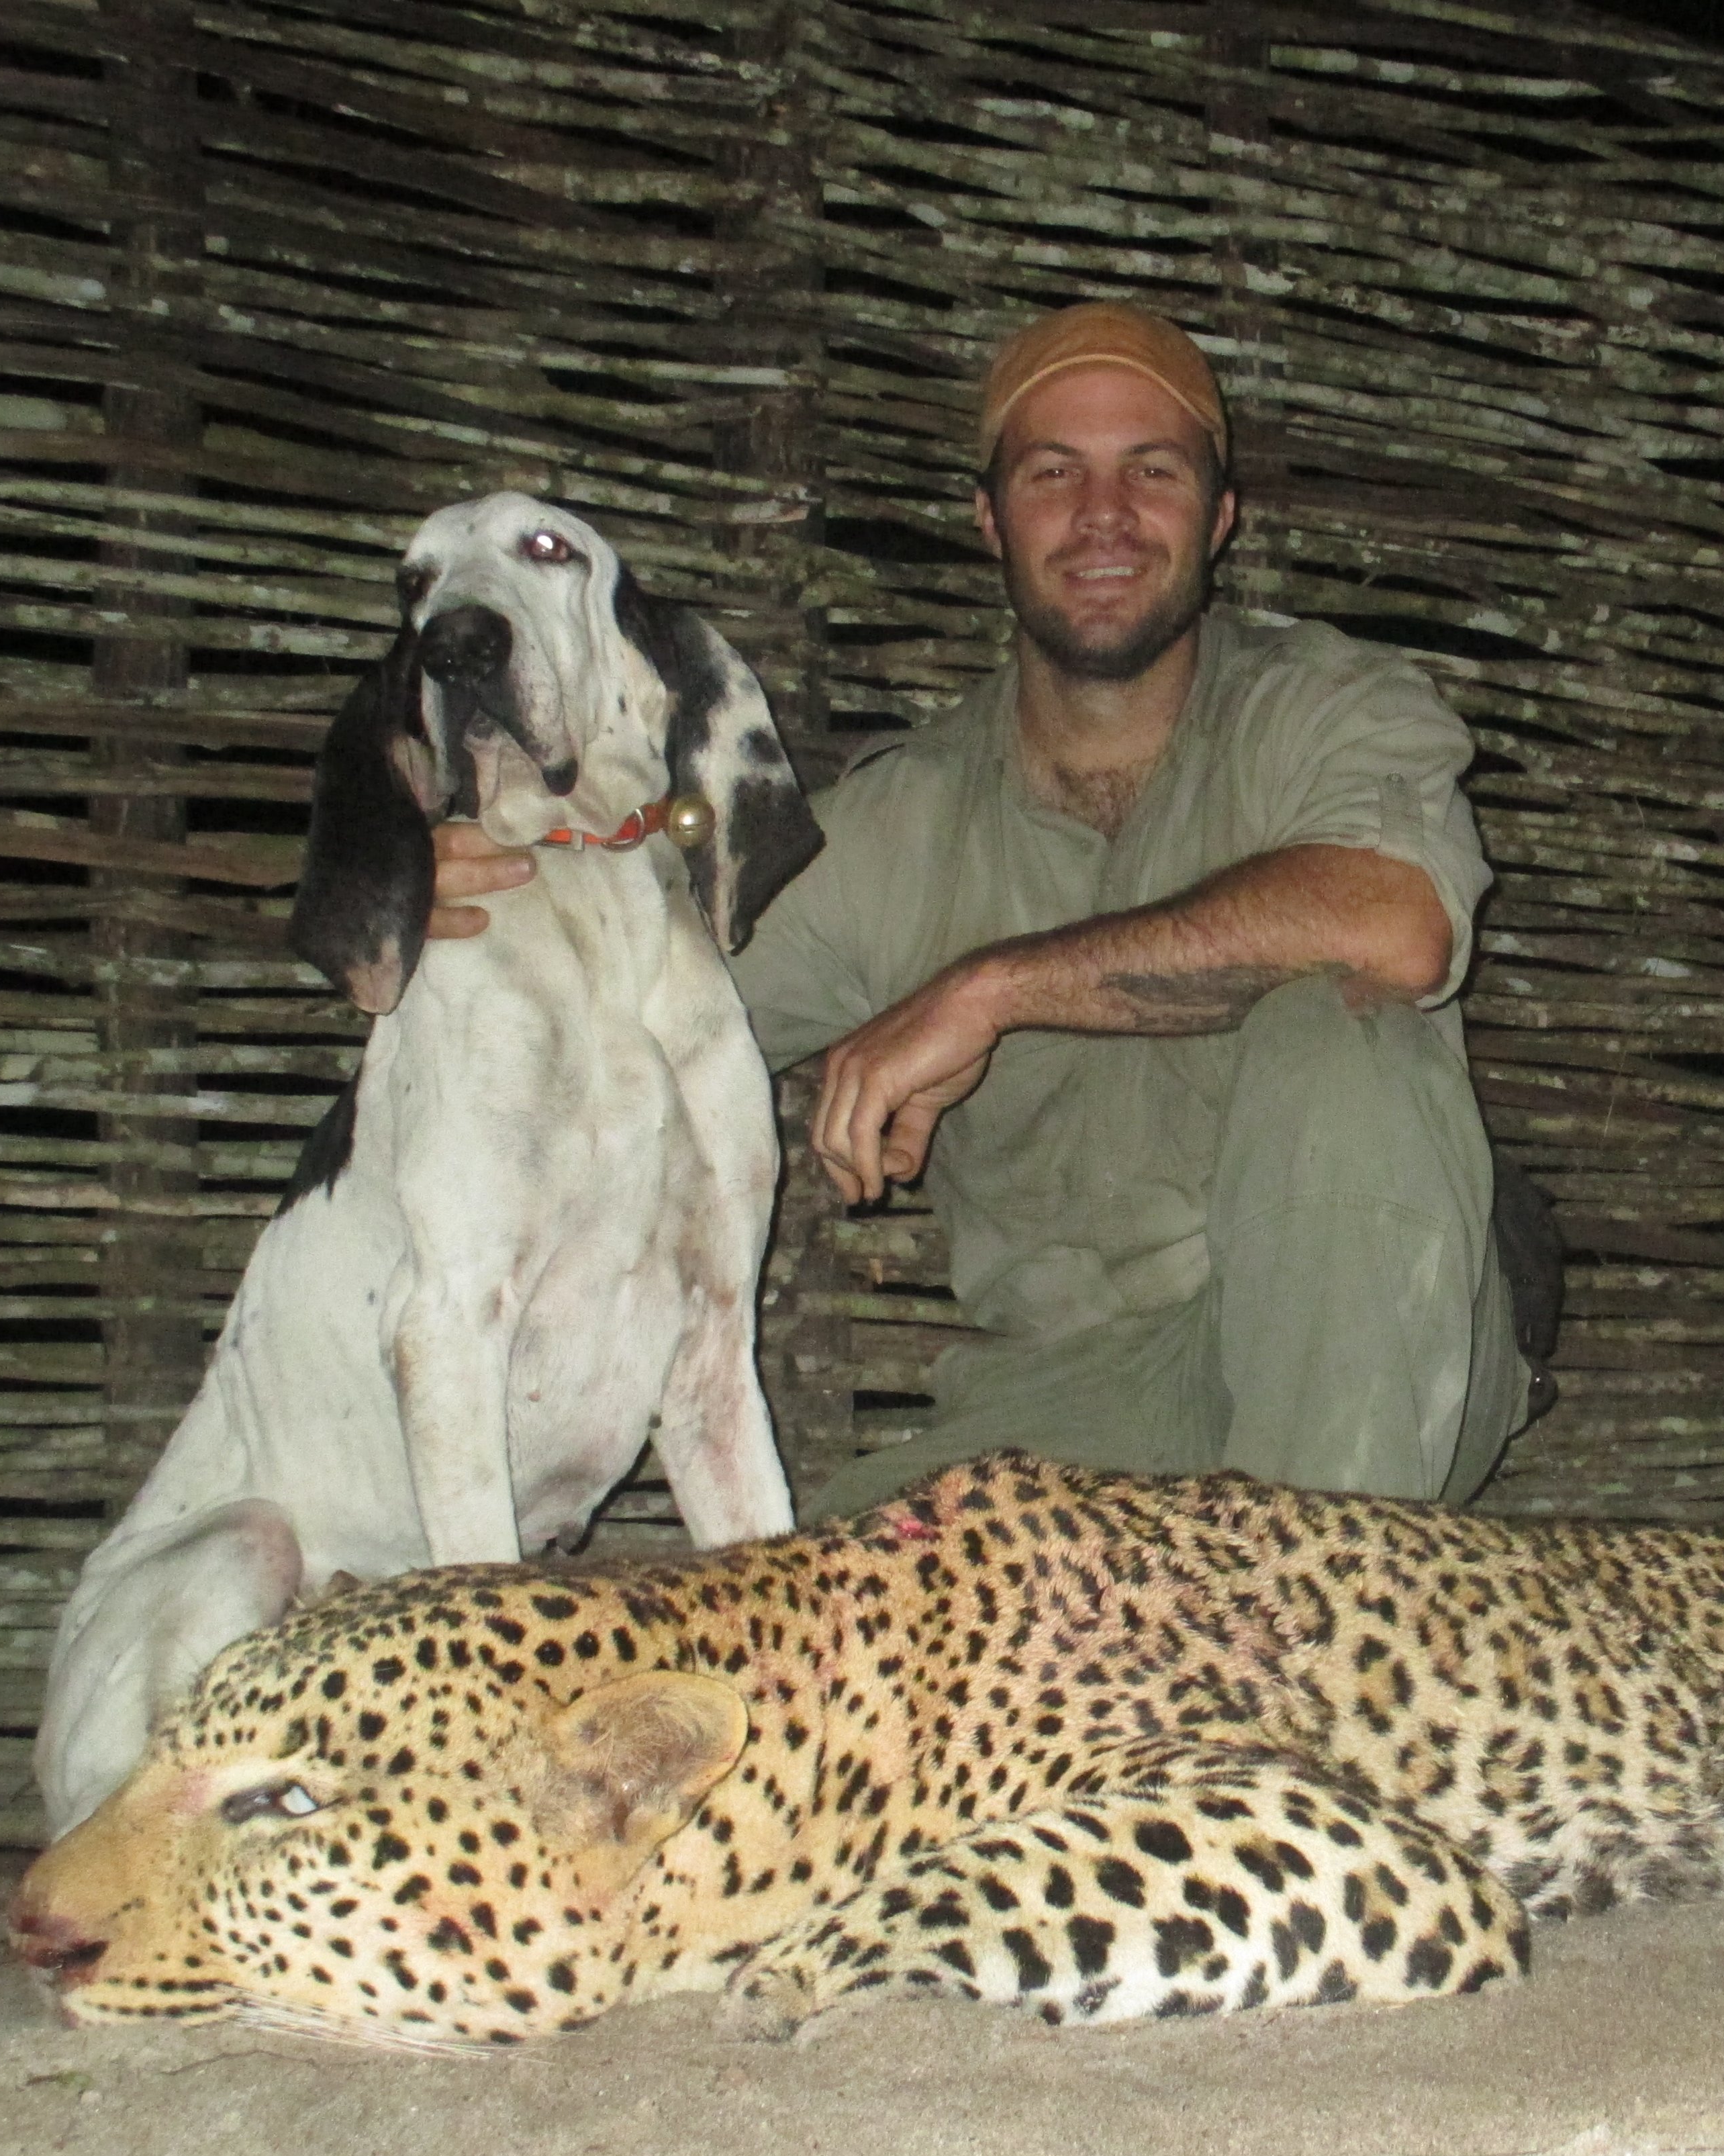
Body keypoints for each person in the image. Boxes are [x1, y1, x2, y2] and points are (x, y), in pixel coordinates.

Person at [432, 301, 1532, 1517]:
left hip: (1377, 1333)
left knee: (1345, 1032)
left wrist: (989, 990)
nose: (1102, 515)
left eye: (1151, 472)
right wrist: (482, 903)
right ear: (990, 520)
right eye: (1053, 473)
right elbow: (627, 1013)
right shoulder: (896, 828)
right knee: (789, 1631)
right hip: (1072, 1403)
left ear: (1220, 520)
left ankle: (1319, 1641)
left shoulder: (1330, 706)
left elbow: (1397, 921)